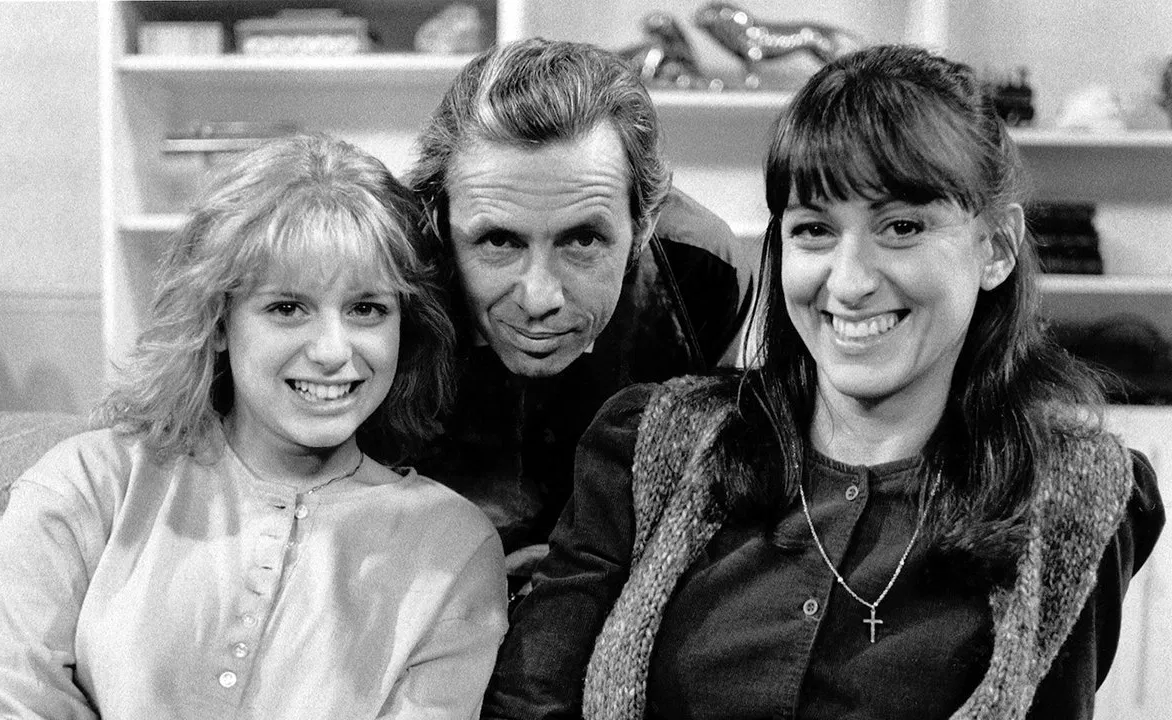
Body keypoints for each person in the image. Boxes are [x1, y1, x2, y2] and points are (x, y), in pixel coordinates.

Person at [483, 44, 1164, 719]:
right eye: (814, 230)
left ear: (998, 248)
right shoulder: (648, 448)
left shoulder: (1073, 500)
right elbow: (528, 704)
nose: (851, 281)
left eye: (901, 226)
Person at [0, 134, 508, 719]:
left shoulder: (453, 547)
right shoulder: (90, 484)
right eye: (287, 308)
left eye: (367, 309)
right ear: (216, 323)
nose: (334, 351)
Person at [406, 38, 756, 564]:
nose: (539, 299)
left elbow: (709, 491)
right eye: (499, 240)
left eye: (583, 240)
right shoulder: (393, 273)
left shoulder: (701, 270)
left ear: (642, 226)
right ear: (439, 219)